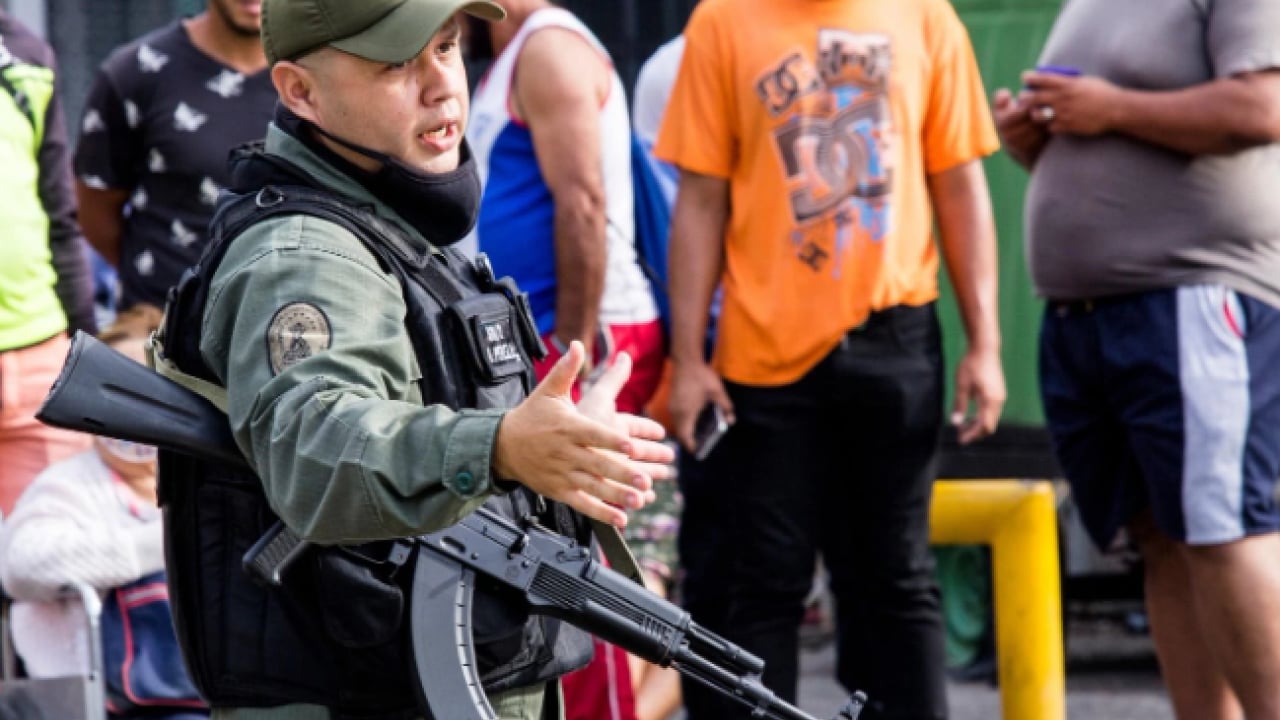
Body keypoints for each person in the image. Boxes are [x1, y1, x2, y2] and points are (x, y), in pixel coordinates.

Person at [147, 0, 674, 718]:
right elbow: (316, 449)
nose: (441, 84)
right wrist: (500, 447)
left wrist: (548, 450)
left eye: (447, 47)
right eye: (396, 63)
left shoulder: (386, 219)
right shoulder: (305, 257)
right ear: (300, 91)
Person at [655, 1, 1006, 717]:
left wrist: (987, 344)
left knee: (897, 579)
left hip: (896, 338)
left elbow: (959, 182)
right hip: (761, 356)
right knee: (764, 584)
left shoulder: (925, 15)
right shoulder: (722, 22)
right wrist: (689, 359)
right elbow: (701, 199)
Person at [994, 2, 1280, 718]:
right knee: (1160, 538)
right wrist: (1035, 139)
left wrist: (1111, 108)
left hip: (1190, 293)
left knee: (1222, 530)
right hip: (1085, 312)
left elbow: (1263, 107)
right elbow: (1104, 141)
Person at [465, 5, 668, 718]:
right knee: (559, 562)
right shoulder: (520, 50)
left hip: (581, 344)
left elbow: (583, 204)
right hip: (554, 340)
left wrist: (571, 357)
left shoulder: (549, 47)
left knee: (583, 570)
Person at [0, 305, 206, 720]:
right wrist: (159, 543)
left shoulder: (208, 481)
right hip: (107, 704)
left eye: (148, 390)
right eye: (118, 393)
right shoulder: (70, 484)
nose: (132, 412)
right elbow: (21, 566)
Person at [73, 0, 275, 313]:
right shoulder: (136, 70)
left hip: (287, 317)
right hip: (160, 320)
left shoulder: (323, 74)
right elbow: (95, 208)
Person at [0, 9, 97, 516]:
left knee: (55, 547)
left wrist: (84, 351)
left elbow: (61, 217)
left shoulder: (27, 55)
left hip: (42, 356)